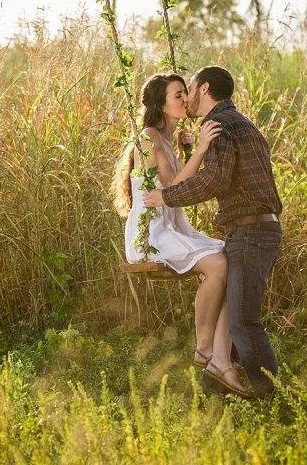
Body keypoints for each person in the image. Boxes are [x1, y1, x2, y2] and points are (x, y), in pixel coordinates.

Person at [143, 65, 284, 399]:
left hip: (252, 231)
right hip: (254, 229)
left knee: (244, 323)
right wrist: (192, 152)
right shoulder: (240, 122)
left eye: (188, 88)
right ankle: (214, 391)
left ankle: (273, 398)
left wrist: (167, 197)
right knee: (234, 316)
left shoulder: (219, 125)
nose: (187, 96)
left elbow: (214, 181)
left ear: (203, 89)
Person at [113, 73, 234, 379]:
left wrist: (190, 151)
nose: (185, 99)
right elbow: (170, 186)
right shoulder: (148, 138)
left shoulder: (167, 140)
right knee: (218, 264)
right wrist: (204, 149)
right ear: (162, 105)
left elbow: (184, 188)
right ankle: (205, 348)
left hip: (172, 229)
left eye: (184, 93)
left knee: (230, 256)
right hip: (151, 236)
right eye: (177, 95)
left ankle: (223, 354)